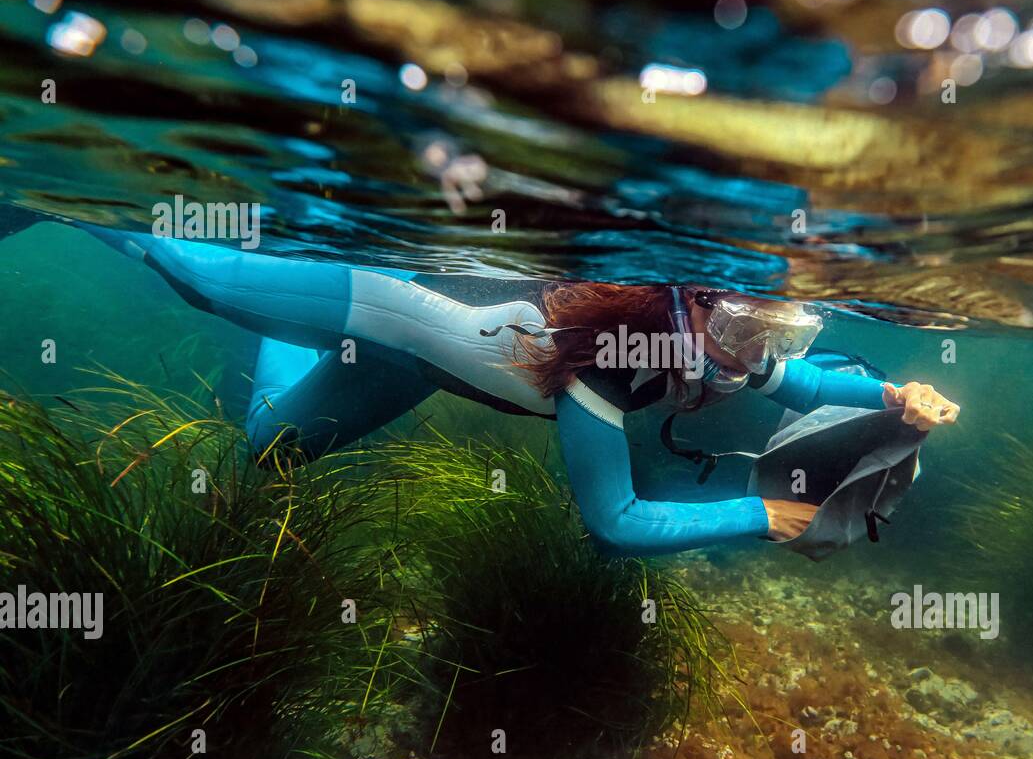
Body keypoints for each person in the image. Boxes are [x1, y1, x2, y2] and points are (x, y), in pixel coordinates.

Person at [88, 227, 960, 555]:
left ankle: (288, 336)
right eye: (745, 332)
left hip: (411, 366)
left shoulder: (709, 344)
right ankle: (72, 210)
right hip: (380, 296)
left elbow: (797, 382)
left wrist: (892, 399)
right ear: (693, 304)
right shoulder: (616, 358)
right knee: (197, 276)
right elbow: (613, 522)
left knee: (267, 448)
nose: (754, 357)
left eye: (775, 334)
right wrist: (762, 515)